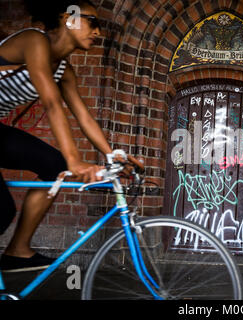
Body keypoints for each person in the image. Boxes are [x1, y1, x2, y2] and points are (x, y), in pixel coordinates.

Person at [0, 0, 140, 272]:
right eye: (92, 22)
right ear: (69, 18)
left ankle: (17, 251)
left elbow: (84, 117)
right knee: (1, 211)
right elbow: (51, 103)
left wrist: (113, 157)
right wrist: (76, 161)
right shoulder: (33, 41)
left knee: (56, 166)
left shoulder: (64, 71)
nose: (98, 32)